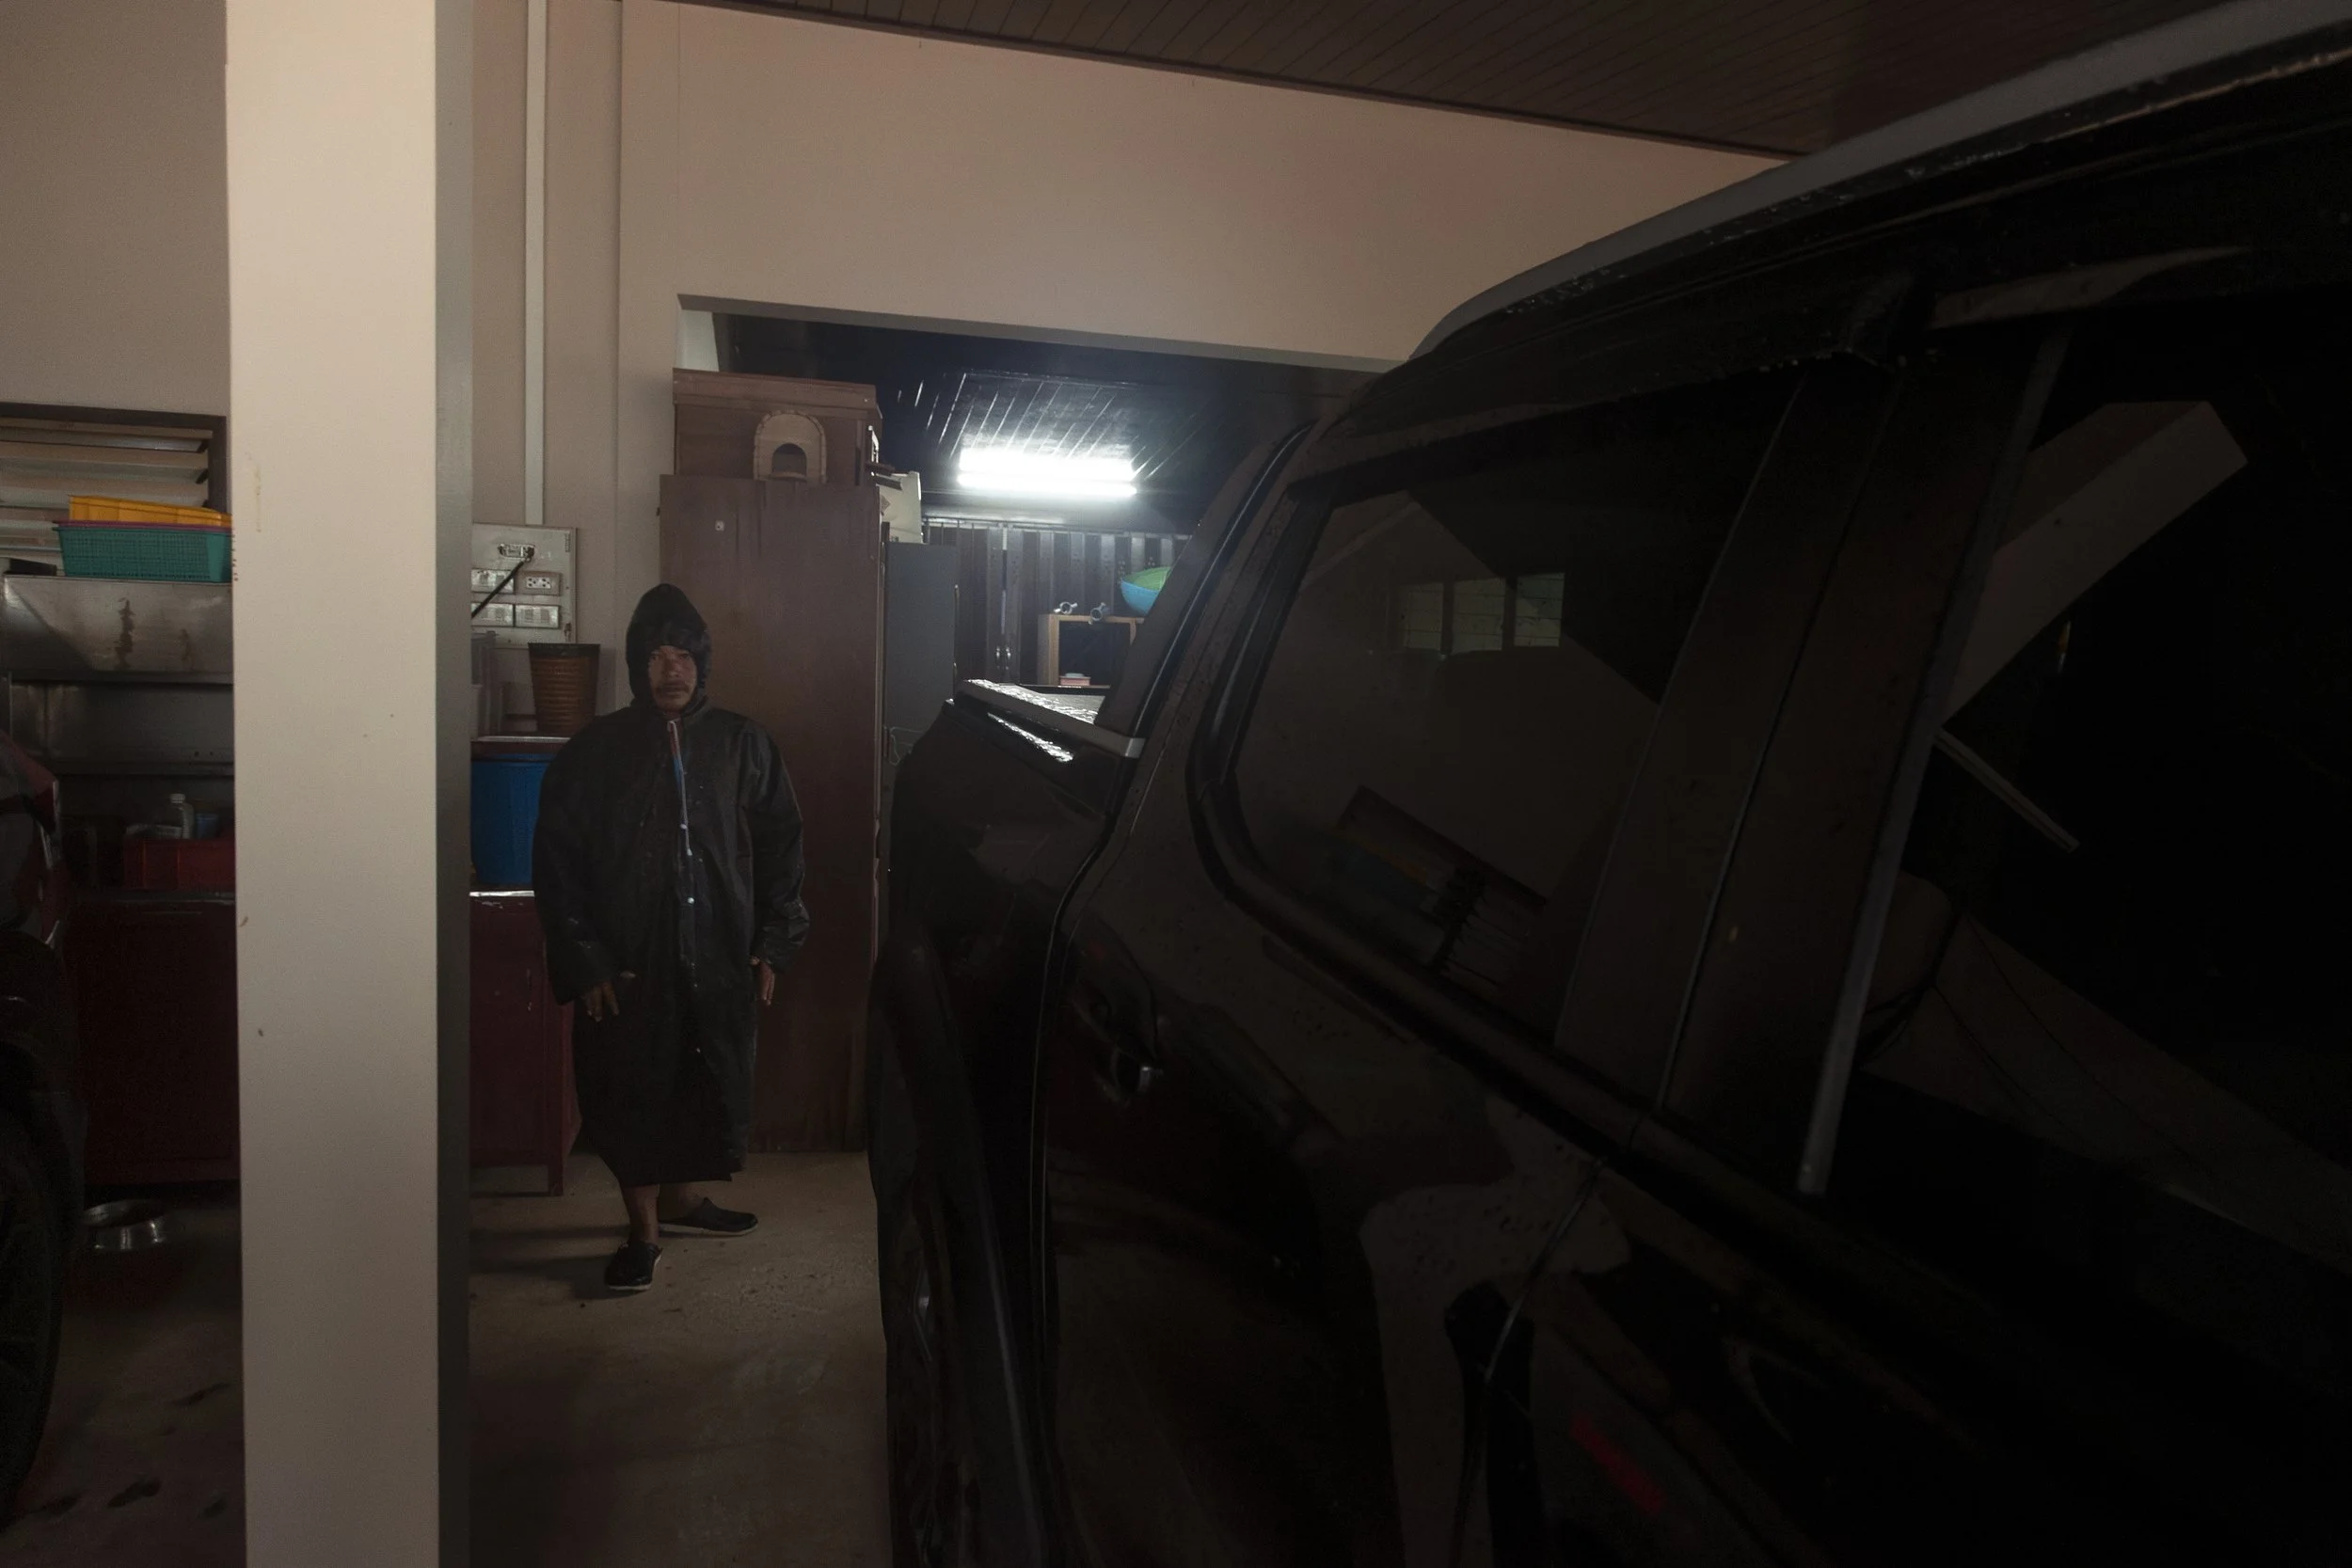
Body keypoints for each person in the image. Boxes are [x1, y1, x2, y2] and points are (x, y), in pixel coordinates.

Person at [532, 584, 810, 1291]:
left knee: (700, 1075)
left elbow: (783, 845)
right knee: (632, 1083)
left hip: (716, 952)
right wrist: (584, 955)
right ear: (636, 664)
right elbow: (556, 861)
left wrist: (774, 940)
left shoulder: (743, 744)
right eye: (656, 655)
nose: (670, 670)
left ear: (701, 663)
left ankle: (685, 1199)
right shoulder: (595, 753)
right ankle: (644, 1230)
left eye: (682, 654)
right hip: (628, 961)